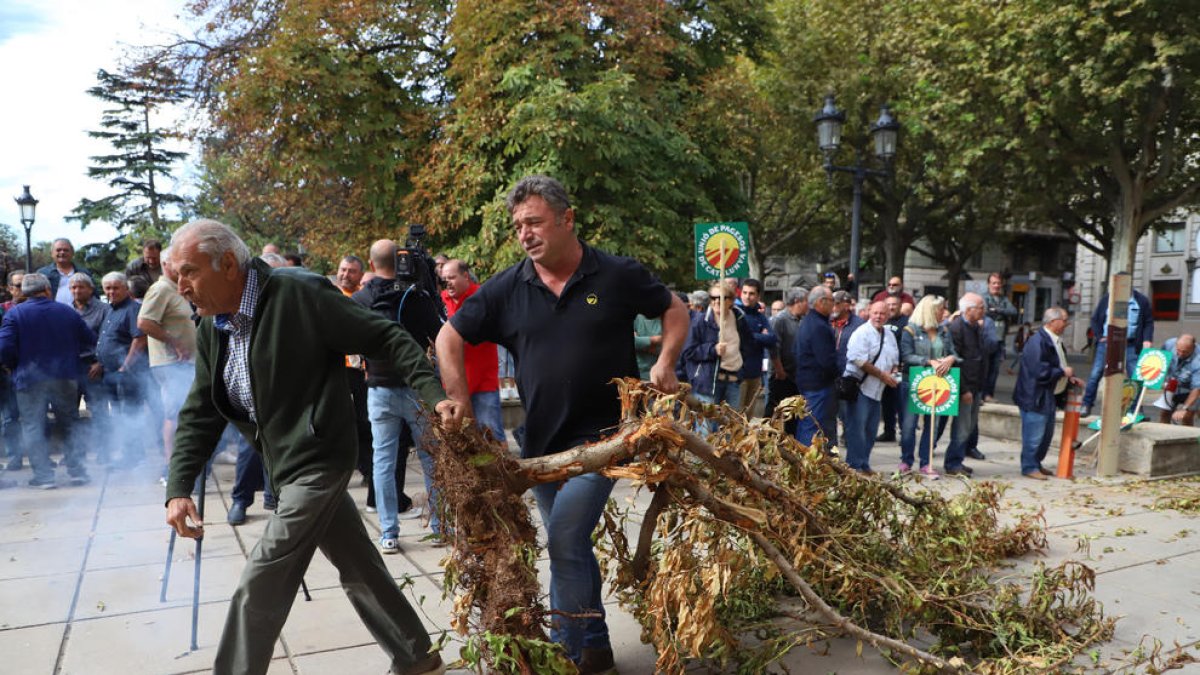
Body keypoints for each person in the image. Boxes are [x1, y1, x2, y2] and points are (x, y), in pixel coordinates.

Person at [164, 219, 457, 675]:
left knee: (261, 578)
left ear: (226, 264)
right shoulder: (212, 328)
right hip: (282, 464)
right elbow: (201, 410)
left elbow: (386, 337)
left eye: (188, 272)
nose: (181, 286)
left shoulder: (298, 294)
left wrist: (435, 397)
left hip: (321, 456)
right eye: (174, 275)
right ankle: (417, 655)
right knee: (358, 563)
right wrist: (179, 486)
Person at [435, 175, 687, 673]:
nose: (525, 233)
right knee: (573, 547)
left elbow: (673, 309)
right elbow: (448, 338)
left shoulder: (615, 274)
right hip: (543, 449)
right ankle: (595, 646)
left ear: (566, 219)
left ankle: (565, 659)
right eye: (518, 226)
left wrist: (666, 363)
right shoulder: (508, 288)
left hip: (609, 440)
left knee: (567, 539)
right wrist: (457, 397)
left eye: (534, 222)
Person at [353, 240, 446, 550]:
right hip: (418, 389)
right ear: (403, 260)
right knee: (431, 458)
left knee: (384, 461)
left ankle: (389, 532)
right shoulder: (415, 296)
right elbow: (439, 334)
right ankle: (439, 527)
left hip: (379, 388)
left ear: (371, 262)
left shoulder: (361, 299)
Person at [0, 273, 96, 488]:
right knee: (70, 423)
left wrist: (11, 366)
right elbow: (90, 339)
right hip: (64, 376)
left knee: (33, 426)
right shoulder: (67, 312)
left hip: (28, 378)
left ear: (24, 292)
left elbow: (4, 348)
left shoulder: (15, 314)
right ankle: (77, 471)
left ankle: (44, 477)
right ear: (47, 290)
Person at [137, 247, 198, 483]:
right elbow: (144, 322)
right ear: (165, 265)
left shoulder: (177, 289)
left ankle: (184, 466)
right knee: (174, 414)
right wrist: (175, 343)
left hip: (185, 363)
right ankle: (171, 470)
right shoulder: (161, 289)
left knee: (184, 414)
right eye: (179, 263)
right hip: (171, 363)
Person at [440, 259, 506, 441]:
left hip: (483, 383)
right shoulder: (441, 299)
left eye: (452, 277)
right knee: (463, 441)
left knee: (492, 436)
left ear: (465, 276)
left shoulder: (481, 297)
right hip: (454, 386)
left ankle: (502, 470)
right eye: (444, 278)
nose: (448, 282)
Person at [1013, 307, 1078, 480]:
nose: (1067, 324)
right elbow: (1040, 371)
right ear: (1052, 322)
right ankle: (1029, 466)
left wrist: (1069, 377)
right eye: (1064, 320)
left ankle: (1036, 463)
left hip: (1048, 396)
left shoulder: (1054, 340)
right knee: (1034, 436)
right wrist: (1063, 372)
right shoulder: (1038, 341)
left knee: (1045, 435)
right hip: (1035, 396)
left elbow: (1058, 363)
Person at [92, 272, 149, 467]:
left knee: (129, 414)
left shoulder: (133, 309)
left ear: (126, 288)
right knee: (118, 415)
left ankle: (135, 456)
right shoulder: (109, 310)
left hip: (127, 373)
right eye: (107, 288)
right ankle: (128, 454)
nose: (111, 291)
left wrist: (126, 365)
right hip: (109, 372)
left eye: (115, 287)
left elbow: (140, 338)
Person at [898, 295, 956, 477]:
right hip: (913, 382)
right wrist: (928, 361)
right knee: (909, 425)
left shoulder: (944, 331)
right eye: (940, 309)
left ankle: (926, 461)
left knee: (933, 424)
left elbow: (953, 352)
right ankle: (906, 460)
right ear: (930, 311)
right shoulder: (910, 330)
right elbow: (906, 356)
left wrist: (951, 358)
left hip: (938, 383)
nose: (943, 313)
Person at [841, 301, 900, 474]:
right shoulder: (861, 333)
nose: (878, 316)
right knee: (857, 430)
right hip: (860, 388)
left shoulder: (889, 334)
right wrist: (883, 375)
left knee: (871, 430)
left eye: (882, 313)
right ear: (868, 312)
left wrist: (894, 373)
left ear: (887, 315)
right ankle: (854, 466)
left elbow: (894, 360)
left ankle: (864, 463)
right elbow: (859, 360)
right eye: (875, 313)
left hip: (878, 390)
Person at [682, 283, 755, 416]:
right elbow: (688, 351)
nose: (716, 301)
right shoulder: (701, 321)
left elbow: (748, 345)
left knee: (730, 428)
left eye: (721, 298)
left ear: (731, 300)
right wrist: (712, 350)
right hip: (708, 384)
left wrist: (741, 367)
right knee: (707, 429)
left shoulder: (739, 318)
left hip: (733, 381)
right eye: (713, 297)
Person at [1081, 289, 1154, 417]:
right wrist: (1099, 336)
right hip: (1107, 343)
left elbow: (1148, 322)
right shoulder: (1107, 298)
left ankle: (1136, 410)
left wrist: (1147, 339)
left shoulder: (1141, 300)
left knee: (1136, 377)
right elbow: (1095, 319)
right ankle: (1086, 404)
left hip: (1131, 343)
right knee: (1096, 373)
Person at [943, 293, 986, 477]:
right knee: (961, 428)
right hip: (965, 387)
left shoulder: (976, 327)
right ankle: (953, 463)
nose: (983, 311)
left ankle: (958, 460)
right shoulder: (956, 329)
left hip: (975, 385)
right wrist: (964, 390)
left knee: (969, 426)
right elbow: (957, 363)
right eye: (980, 307)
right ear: (969, 310)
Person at [792, 286, 838, 448]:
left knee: (812, 425)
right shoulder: (818, 326)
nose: (834, 305)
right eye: (832, 301)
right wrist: (840, 370)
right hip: (818, 385)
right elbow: (826, 360)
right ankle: (806, 464)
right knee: (813, 427)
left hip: (811, 383)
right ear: (821, 302)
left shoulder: (810, 322)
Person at [766, 287, 807, 431]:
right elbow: (774, 348)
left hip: (796, 377)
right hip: (781, 376)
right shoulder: (780, 320)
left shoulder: (802, 320)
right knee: (775, 413)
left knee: (792, 416)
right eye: (806, 301)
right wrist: (779, 370)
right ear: (797, 302)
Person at [734, 279, 777, 416]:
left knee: (749, 416)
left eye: (751, 293)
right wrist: (759, 336)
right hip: (738, 373)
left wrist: (750, 336)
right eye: (745, 292)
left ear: (758, 296)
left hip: (755, 373)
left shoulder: (760, 316)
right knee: (735, 416)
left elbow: (771, 338)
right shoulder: (735, 313)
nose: (747, 296)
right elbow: (737, 337)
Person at [982, 272, 1019, 401]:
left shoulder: (1004, 299)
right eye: (994, 283)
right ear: (988, 284)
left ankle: (989, 394)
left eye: (998, 283)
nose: (996, 286)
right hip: (986, 338)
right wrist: (1000, 312)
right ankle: (981, 394)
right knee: (984, 367)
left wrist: (997, 310)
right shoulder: (984, 298)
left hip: (1000, 339)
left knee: (994, 368)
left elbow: (1013, 311)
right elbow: (985, 312)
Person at [876, 295, 907, 443]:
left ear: (900, 306)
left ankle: (904, 432)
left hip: (899, 370)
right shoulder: (881, 322)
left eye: (895, 304)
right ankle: (889, 431)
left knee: (900, 403)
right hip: (883, 371)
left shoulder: (906, 322)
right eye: (888, 304)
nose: (891, 307)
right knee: (886, 403)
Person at [1153, 335, 1200, 425]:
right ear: (1176, 344)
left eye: (1185, 352)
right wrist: (1159, 380)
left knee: (1187, 416)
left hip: (1192, 389)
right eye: (1178, 350)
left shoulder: (1198, 360)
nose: (1181, 354)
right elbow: (1160, 360)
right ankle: (1163, 436)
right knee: (1164, 413)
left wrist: (1184, 408)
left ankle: (1189, 437)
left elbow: (1197, 389)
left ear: (1193, 348)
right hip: (1173, 384)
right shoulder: (1169, 344)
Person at [37, 238, 93, 306]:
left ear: (72, 253)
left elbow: (94, 296)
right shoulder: (43, 274)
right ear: (52, 253)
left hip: (81, 314)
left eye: (66, 250)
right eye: (58, 250)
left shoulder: (84, 273)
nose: (62, 252)